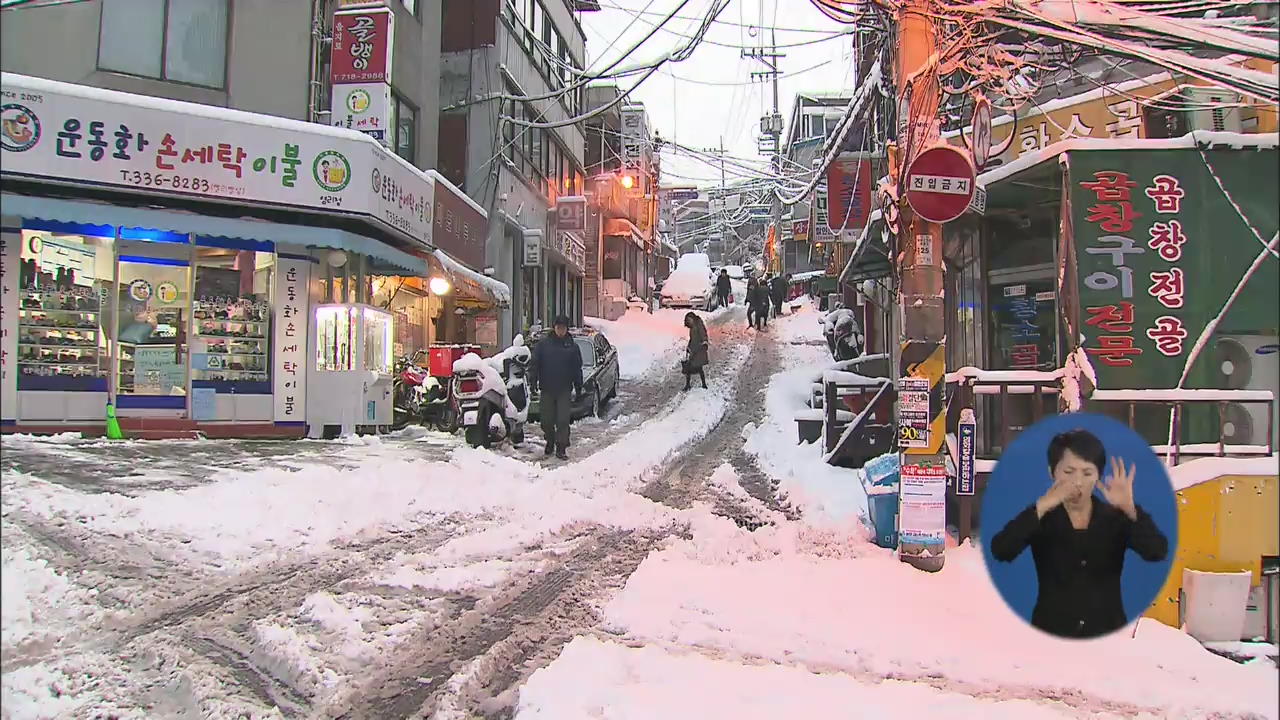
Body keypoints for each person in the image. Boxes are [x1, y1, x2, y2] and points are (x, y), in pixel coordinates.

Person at [989, 429, 1168, 639]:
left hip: (1107, 635)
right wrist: (1042, 506)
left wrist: (1130, 509)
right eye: (1068, 472)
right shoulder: (1041, 517)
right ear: (1051, 472)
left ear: (1098, 476)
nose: (1078, 482)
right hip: (1051, 635)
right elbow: (1001, 550)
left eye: (1087, 473)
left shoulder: (1114, 517)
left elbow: (1157, 551)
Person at [529, 315, 583, 460]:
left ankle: (561, 447)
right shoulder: (543, 345)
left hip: (564, 389)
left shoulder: (572, 347)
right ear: (554, 327)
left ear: (567, 329)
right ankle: (550, 439)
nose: (561, 331)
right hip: (547, 388)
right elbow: (534, 364)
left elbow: (577, 369)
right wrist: (532, 382)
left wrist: (579, 388)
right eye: (558, 328)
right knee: (546, 421)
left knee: (563, 420)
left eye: (563, 328)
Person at [682, 312, 709, 390]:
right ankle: (687, 385)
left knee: (699, 367)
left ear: (693, 318)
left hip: (699, 349)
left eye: (689, 319)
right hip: (694, 349)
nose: (689, 321)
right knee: (689, 368)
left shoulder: (699, 324)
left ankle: (704, 384)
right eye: (688, 320)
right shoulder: (692, 326)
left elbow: (703, 333)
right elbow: (692, 338)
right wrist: (688, 346)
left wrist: (705, 341)